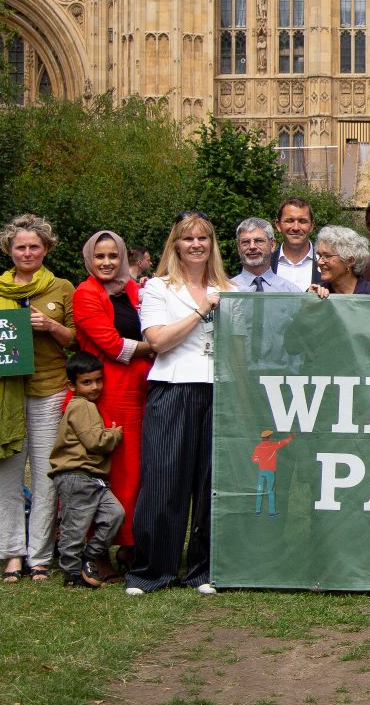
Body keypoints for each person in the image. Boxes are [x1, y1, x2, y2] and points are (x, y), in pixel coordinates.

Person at [128, 211, 232, 596]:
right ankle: (152, 571)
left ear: (212, 245)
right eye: (188, 239)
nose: (196, 244)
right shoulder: (157, 288)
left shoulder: (229, 286)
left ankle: (203, 571)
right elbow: (158, 341)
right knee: (164, 479)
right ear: (176, 244)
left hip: (218, 389)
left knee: (210, 484)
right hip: (172, 388)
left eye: (203, 238)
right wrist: (203, 308)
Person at [0, 214, 76, 583]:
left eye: (35, 246)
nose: (28, 252)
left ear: (46, 248)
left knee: (48, 476)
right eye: (21, 246)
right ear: (8, 249)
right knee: (7, 475)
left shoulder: (62, 288)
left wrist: (51, 326)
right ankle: (12, 553)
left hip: (49, 391)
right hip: (6, 394)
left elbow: (77, 341)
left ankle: (41, 556)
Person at [70, 229, 152, 568]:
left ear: (123, 258)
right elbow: (114, 346)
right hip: (107, 392)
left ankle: (130, 542)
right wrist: (161, 343)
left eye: (113, 256)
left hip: (139, 388)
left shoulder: (133, 289)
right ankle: (98, 546)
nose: (106, 262)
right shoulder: (85, 294)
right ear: (90, 259)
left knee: (136, 471)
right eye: (100, 256)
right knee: (109, 472)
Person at [46, 351, 123, 589]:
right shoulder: (82, 406)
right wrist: (115, 434)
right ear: (72, 385)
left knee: (115, 515)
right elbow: (95, 442)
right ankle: (72, 573)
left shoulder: (87, 405)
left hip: (94, 478)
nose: (95, 387)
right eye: (87, 382)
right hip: (75, 476)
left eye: (99, 380)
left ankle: (89, 557)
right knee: (75, 527)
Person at [312, 224, 370, 296]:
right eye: (320, 256)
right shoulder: (316, 293)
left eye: (327, 256)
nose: (319, 262)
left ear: (349, 261)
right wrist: (308, 301)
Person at [231, 218, 300, 293]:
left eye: (259, 241)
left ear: (272, 245)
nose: (252, 246)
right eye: (246, 242)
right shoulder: (225, 291)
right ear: (238, 247)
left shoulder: (291, 292)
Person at [270, 198, 318, 289]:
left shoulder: (325, 264)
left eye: (302, 221)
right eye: (289, 221)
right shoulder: (266, 264)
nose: (296, 228)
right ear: (278, 225)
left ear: (311, 226)